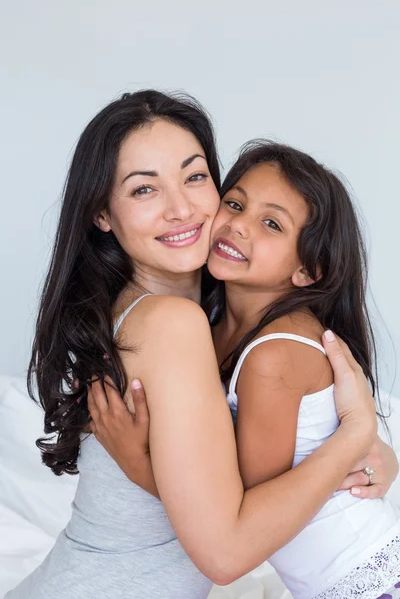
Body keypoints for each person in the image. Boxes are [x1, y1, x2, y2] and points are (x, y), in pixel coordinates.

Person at [6, 91, 397, 599]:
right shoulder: (172, 322)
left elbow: (272, 444)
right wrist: (356, 433)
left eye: (194, 177)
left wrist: (373, 452)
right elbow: (225, 548)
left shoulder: (211, 314)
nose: (181, 208)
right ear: (102, 213)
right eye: (144, 190)